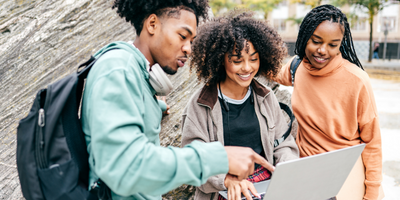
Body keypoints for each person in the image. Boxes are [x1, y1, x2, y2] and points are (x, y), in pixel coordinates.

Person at [81, 1, 274, 199]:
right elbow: (126, 168)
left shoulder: (136, 77)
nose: (188, 49)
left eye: (192, 40)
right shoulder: (118, 70)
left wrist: (156, 106)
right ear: (152, 24)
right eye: (183, 36)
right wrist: (219, 157)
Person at [181, 10, 299, 200]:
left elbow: (284, 144)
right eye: (237, 60)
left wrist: (286, 169)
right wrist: (226, 179)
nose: (247, 68)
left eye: (253, 59)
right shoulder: (200, 105)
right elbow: (193, 161)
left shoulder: (266, 97)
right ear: (221, 60)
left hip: (265, 184)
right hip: (223, 189)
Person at [274, 5, 382, 200]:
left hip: (345, 175)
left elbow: (372, 142)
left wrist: (372, 193)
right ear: (305, 36)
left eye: (333, 44)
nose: (323, 50)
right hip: (305, 173)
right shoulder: (297, 67)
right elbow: (270, 72)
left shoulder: (357, 80)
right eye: (316, 41)